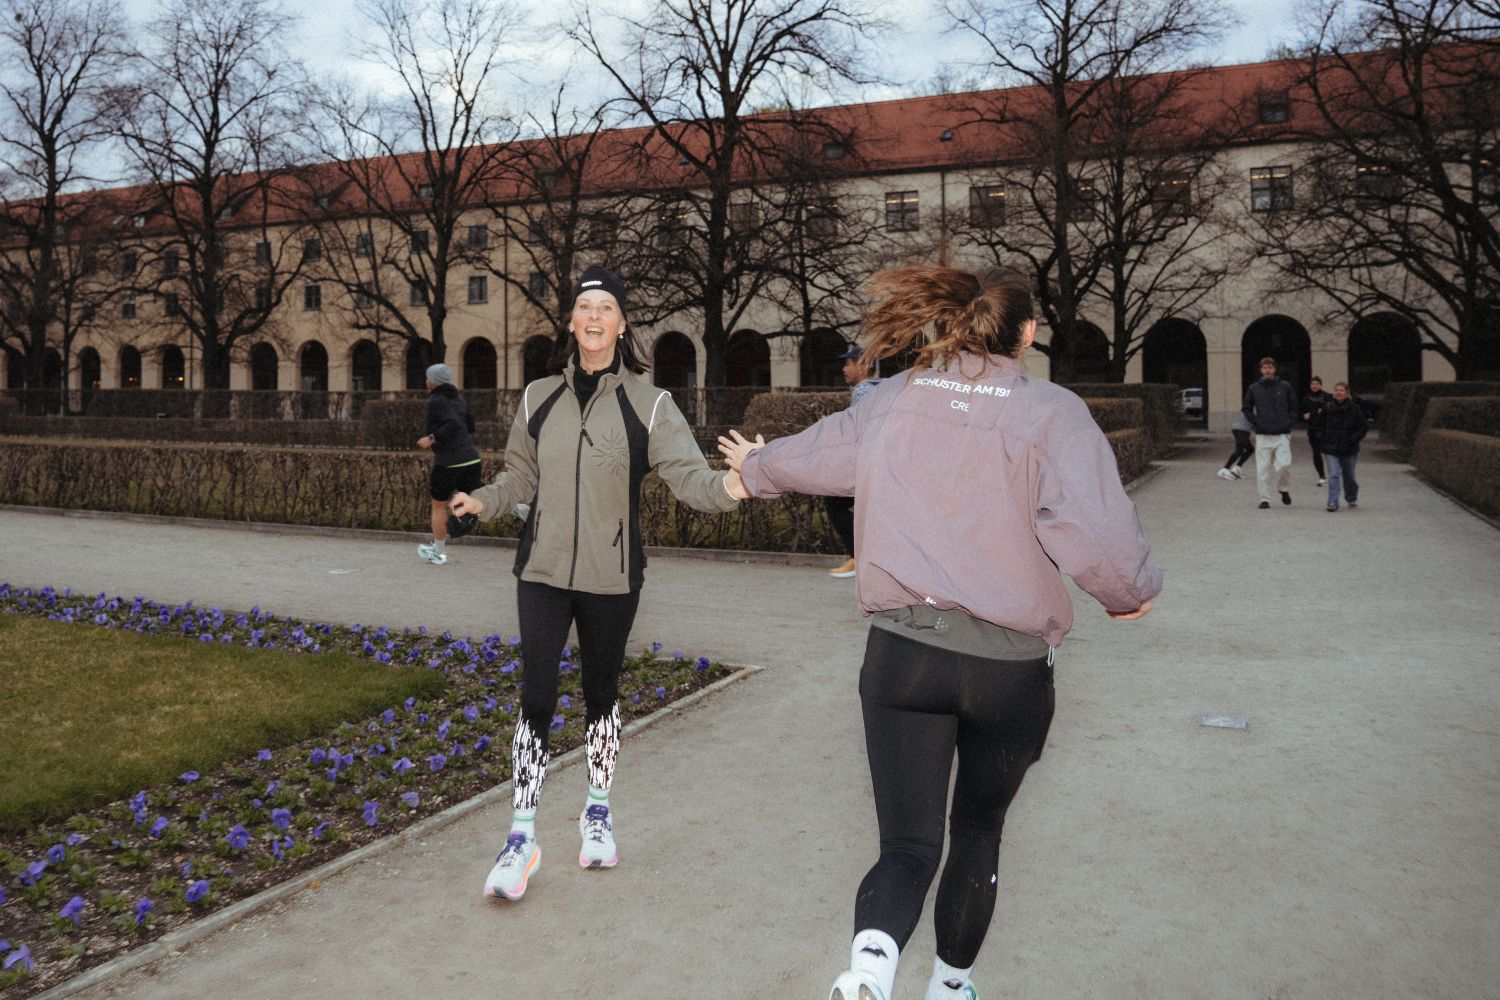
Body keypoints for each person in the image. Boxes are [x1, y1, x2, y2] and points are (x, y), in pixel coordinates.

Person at [718, 266, 1161, 1000]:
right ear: (1027, 333)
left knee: (906, 846)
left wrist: (753, 470)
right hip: (1009, 669)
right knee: (977, 834)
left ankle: (867, 971)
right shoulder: (1052, 412)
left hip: (904, 659)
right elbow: (1095, 531)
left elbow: (817, 455)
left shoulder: (893, 397)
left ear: (954, 322)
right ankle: (951, 987)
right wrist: (1128, 595)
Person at [449, 266, 741, 902]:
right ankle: (521, 836)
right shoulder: (537, 397)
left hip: (613, 576)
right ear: (572, 321)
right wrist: (483, 502)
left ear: (622, 322)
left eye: (606, 305)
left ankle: (598, 812)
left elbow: (691, 479)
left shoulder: (650, 403)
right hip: (543, 571)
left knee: (601, 692)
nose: (594, 315)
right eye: (585, 305)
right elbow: (518, 479)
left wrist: (736, 485)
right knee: (537, 694)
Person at [824, 343, 884, 578]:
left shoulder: (862, 391)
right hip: (883, 463)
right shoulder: (884, 387)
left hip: (867, 464)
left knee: (835, 502)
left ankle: (857, 558)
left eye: (848, 364)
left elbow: (861, 428)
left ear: (863, 366)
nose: (843, 369)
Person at [416, 363, 482, 566]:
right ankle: (518, 509)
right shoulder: (458, 398)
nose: (426, 381)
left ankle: (439, 552)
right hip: (471, 458)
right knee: (481, 496)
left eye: (428, 378)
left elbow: (452, 424)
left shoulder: (436, 400)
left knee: (438, 505)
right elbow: (469, 426)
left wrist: (431, 438)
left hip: (449, 463)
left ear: (432, 381)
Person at [1242, 356, 1298, 509]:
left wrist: (1289, 422)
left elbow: (1294, 407)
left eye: (1270, 367)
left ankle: (1283, 488)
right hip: (1263, 435)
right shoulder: (1254, 388)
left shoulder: (1285, 386)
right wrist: (1256, 422)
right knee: (1262, 469)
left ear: (1274, 369)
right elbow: (1246, 408)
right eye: (1265, 368)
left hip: (1282, 434)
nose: (1268, 370)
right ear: (1261, 370)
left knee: (1284, 465)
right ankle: (1264, 498)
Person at [1320, 381, 1366, 511]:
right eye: (1336, 390)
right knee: (1334, 474)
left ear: (1347, 393)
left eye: (1341, 390)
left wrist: (1353, 439)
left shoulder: (1355, 409)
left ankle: (1351, 497)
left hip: (1349, 448)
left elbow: (1363, 427)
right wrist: (1322, 439)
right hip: (1330, 447)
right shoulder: (1327, 407)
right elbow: (1319, 425)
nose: (1338, 392)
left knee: (1349, 475)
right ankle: (1333, 502)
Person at [1302, 376, 1332, 487]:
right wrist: (1304, 416)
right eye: (1312, 384)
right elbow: (1302, 411)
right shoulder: (1306, 398)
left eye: (1316, 384)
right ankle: (1321, 475)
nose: (1314, 386)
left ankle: (1333, 473)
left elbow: (1332, 410)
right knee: (1316, 452)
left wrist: (1324, 411)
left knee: (1328, 452)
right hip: (1313, 429)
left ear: (1320, 385)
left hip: (1326, 429)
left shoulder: (1327, 397)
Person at [1218, 409, 1255, 481]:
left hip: (1238, 429)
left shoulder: (1249, 406)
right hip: (1242, 431)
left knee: (1250, 449)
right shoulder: (1257, 407)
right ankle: (1225, 469)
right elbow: (1256, 422)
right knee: (1239, 451)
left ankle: (1237, 468)